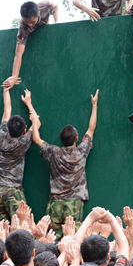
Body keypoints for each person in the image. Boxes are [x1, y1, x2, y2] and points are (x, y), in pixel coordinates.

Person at [27, 90, 99, 232]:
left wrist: (34, 119)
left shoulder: (54, 152)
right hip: (74, 203)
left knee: (51, 237)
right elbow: (91, 129)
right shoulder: (81, 151)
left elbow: (36, 138)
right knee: (72, 237)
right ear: (77, 139)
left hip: (55, 203)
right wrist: (94, 106)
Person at [0, 87, 33, 220]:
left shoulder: (2, 133)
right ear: (24, 131)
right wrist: (29, 103)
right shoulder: (23, 142)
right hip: (12, 190)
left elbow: (7, 110)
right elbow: (37, 122)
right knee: (22, 224)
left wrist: (6, 90)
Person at [2, 1, 60, 89]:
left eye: (32, 22)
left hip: (44, 24)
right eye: (27, 22)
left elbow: (55, 6)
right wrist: (14, 77)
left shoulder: (45, 7)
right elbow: (18, 54)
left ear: (38, 13)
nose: (29, 24)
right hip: (31, 32)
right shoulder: (23, 27)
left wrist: (56, 23)